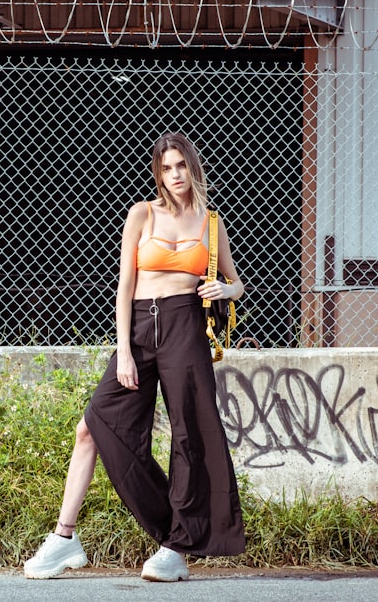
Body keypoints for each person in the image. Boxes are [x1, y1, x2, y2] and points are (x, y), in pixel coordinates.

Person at [23, 132, 246, 582]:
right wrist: (124, 349)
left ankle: (174, 547)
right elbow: (125, 287)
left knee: (189, 435)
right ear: (158, 172)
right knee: (94, 425)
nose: (175, 175)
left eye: (181, 165)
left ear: (193, 166)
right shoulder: (142, 214)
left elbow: (236, 282)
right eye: (166, 168)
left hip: (186, 327)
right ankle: (65, 538)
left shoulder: (211, 223)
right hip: (142, 328)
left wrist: (225, 289)